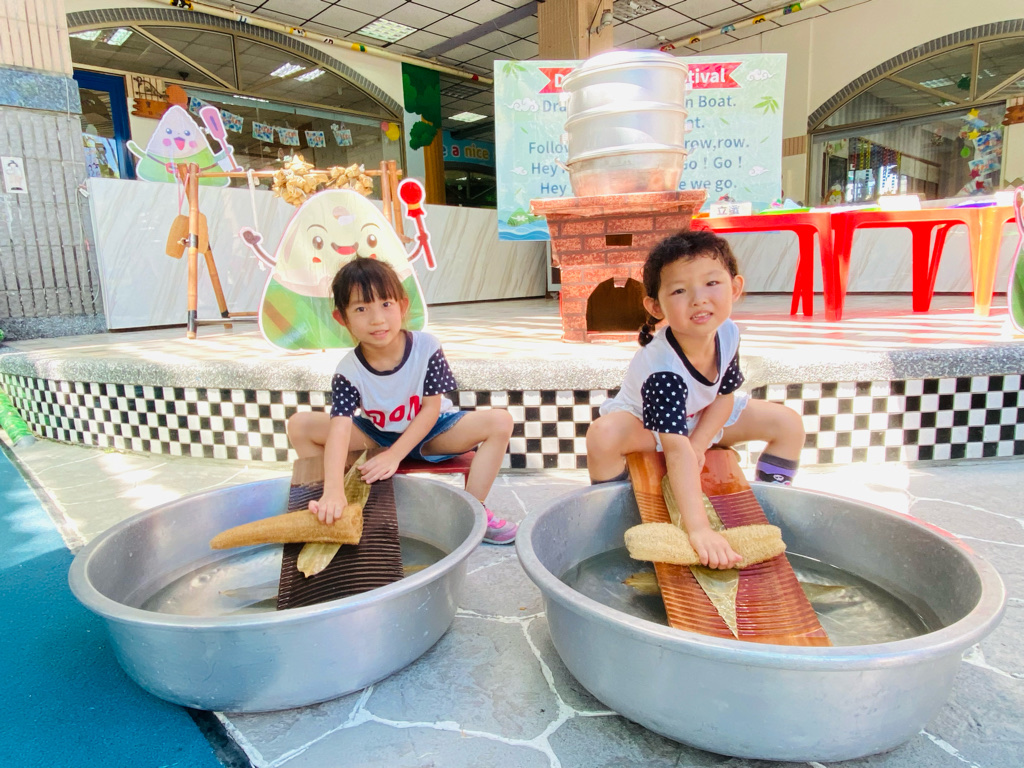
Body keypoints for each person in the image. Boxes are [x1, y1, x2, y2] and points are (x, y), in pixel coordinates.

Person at [586, 229, 804, 569]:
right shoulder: (663, 369)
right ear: (655, 306)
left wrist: (700, 444)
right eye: (679, 290)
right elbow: (677, 451)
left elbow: (724, 396)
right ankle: (614, 521)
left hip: (698, 416)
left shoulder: (727, 331)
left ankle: (770, 510)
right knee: (603, 435)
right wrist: (699, 529)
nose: (699, 299)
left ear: (735, 287)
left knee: (788, 423)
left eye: (711, 283)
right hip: (647, 427)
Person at [287, 256, 518, 544]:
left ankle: (472, 513)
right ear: (342, 319)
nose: (377, 319)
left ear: (403, 306)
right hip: (376, 435)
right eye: (361, 308)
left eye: (386, 304)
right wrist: (332, 488)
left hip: (432, 432)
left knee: (500, 422)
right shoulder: (348, 370)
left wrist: (395, 455)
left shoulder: (426, 347)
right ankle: (335, 505)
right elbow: (340, 428)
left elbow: (431, 409)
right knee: (300, 425)